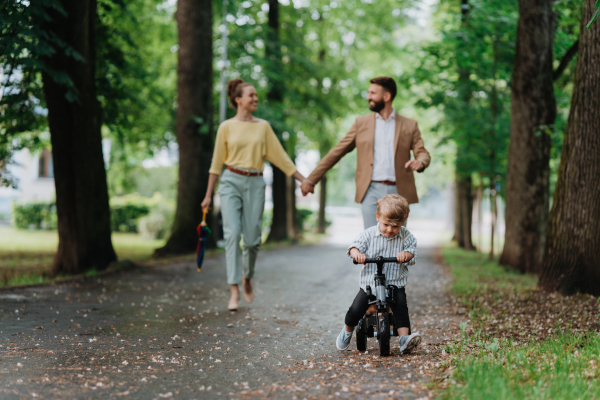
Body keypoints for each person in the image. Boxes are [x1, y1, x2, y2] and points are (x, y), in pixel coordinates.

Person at [201, 78, 309, 311]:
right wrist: (209, 195)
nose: (256, 98)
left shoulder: (263, 127)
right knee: (232, 235)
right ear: (238, 99)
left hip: (256, 183)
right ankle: (233, 290)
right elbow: (216, 163)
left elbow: (280, 157)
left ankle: (246, 277)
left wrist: (303, 179)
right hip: (230, 181)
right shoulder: (226, 127)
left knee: (251, 240)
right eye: (251, 95)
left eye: (256, 95)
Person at [301, 76, 430, 229]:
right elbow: (337, 152)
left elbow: (422, 152)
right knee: (372, 239)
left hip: (398, 191)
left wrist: (420, 162)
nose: (368, 97)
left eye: (373, 93)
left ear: (387, 96)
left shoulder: (409, 125)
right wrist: (311, 179)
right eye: (369, 93)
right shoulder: (361, 123)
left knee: (396, 241)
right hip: (371, 190)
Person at [336, 194, 422, 354]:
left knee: (401, 308)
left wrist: (406, 255)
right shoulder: (368, 234)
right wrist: (357, 255)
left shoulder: (406, 236)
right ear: (377, 217)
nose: (390, 230)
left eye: (396, 226)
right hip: (369, 283)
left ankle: (404, 339)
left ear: (403, 222)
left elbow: (412, 251)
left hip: (395, 282)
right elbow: (354, 246)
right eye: (386, 224)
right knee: (356, 310)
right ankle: (347, 331)